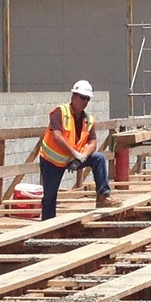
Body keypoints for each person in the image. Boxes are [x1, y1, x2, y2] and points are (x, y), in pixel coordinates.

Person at [38, 80, 116, 219]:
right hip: (52, 162)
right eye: (82, 97)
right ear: (74, 96)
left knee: (98, 158)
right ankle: (47, 224)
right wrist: (74, 153)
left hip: (74, 158)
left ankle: (103, 196)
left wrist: (83, 156)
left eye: (87, 98)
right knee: (50, 195)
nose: (85, 101)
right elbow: (57, 136)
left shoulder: (88, 119)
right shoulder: (60, 112)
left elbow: (92, 142)